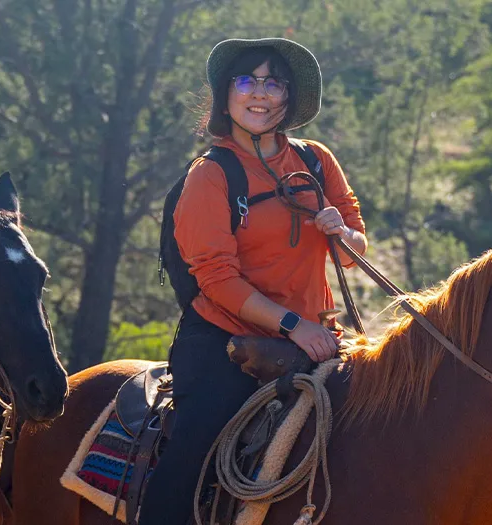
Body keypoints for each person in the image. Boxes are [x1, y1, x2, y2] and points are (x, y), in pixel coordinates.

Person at [140, 37, 368, 524]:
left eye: (273, 82)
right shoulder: (211, 175)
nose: (259, 92)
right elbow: (217, 279)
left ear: (289, 96)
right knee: (192, 458)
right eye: (246, 80)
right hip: (226, 342)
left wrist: (342, 233)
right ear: (226, 96)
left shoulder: (315, 160)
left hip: (317, 339)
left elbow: (356, 250)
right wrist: (294, 326)